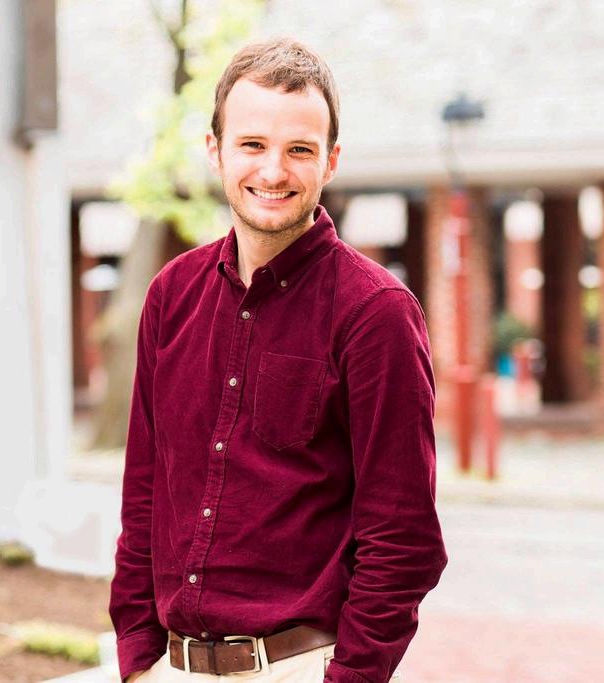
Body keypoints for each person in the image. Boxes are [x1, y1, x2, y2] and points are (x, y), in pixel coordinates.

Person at [109, 37, 447, 683]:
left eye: (299, 149)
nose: (272, 171)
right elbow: (144, 494)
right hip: (172, 667)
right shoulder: (170, 296)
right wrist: (138, 656)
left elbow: (404, 536)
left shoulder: (375, 313)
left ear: (331, 160)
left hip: (301, 667)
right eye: (252, 144)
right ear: (216, 151)